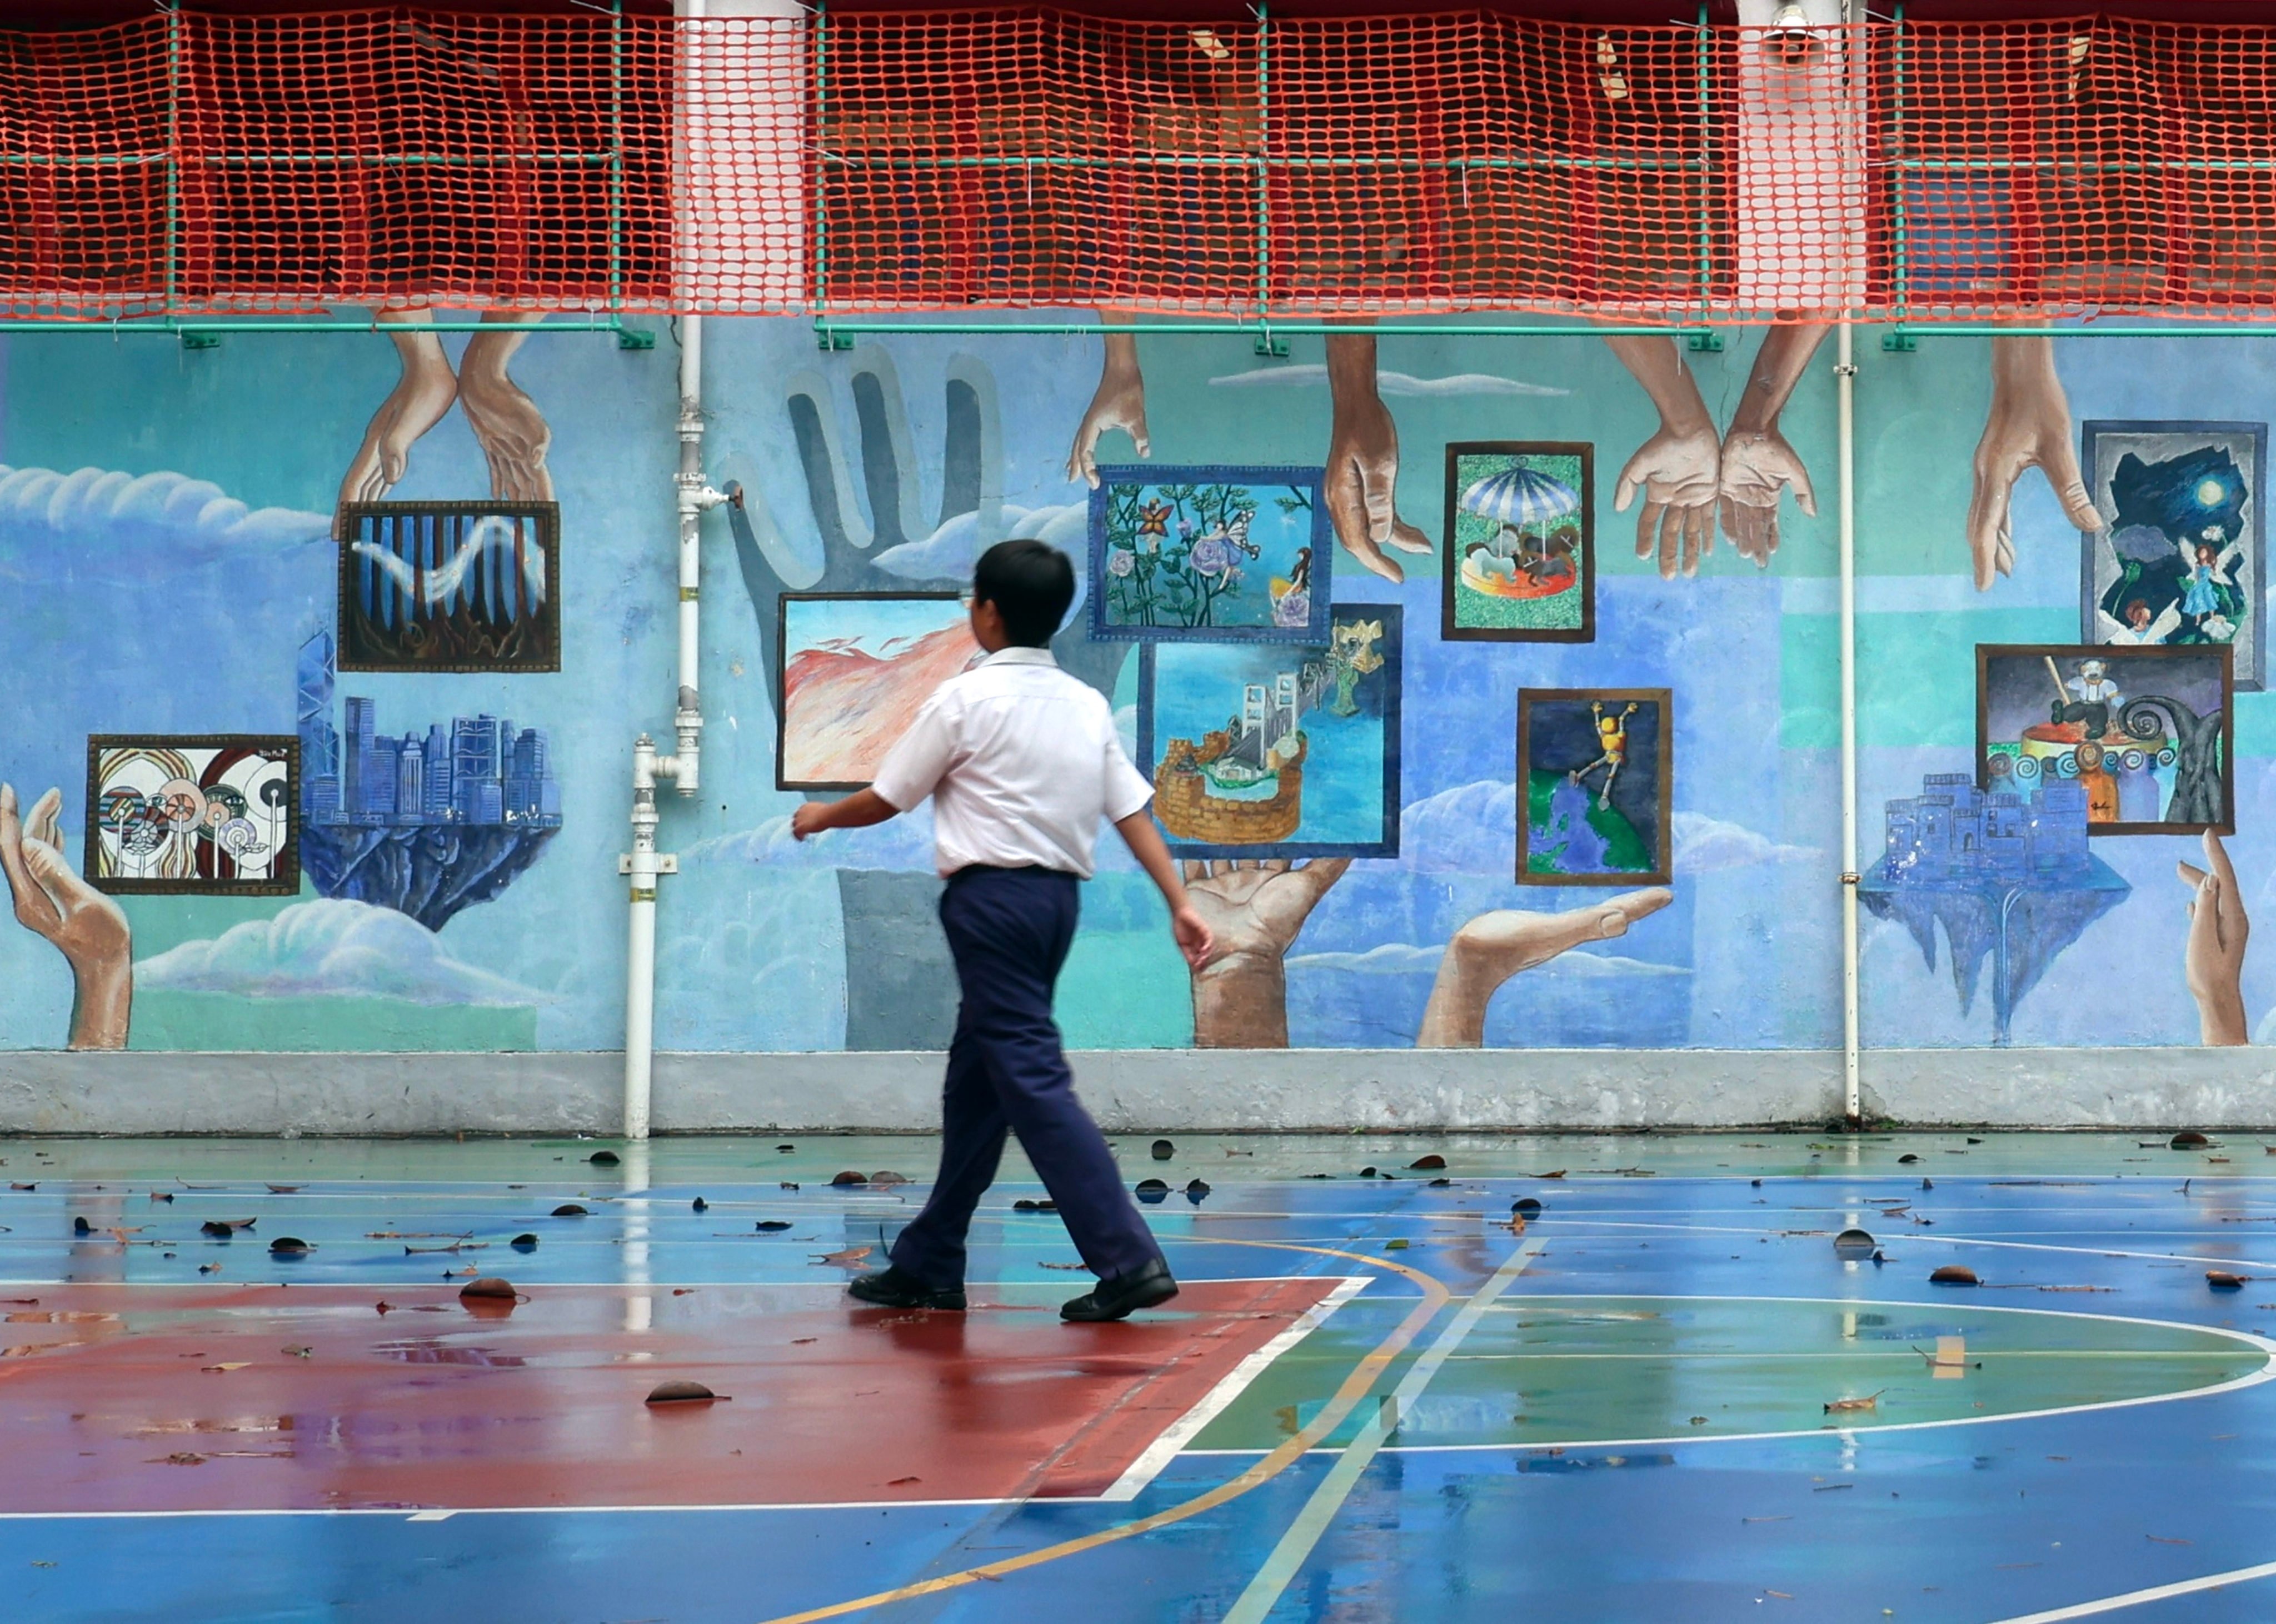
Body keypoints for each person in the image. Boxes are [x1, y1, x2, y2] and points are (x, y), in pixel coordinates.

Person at [791, 539, 1216, 1322]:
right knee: (978, 1083)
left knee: (1029, 1077)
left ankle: (1128, 1260)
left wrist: (820, 815)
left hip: (990, 904)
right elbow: (1130, 812)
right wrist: (1179, 901)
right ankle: (931, 1260)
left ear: (986, 612)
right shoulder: (1085, 705)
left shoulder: (964, 701)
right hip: (1055, 907)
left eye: (972, 601)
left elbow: (890, 796)